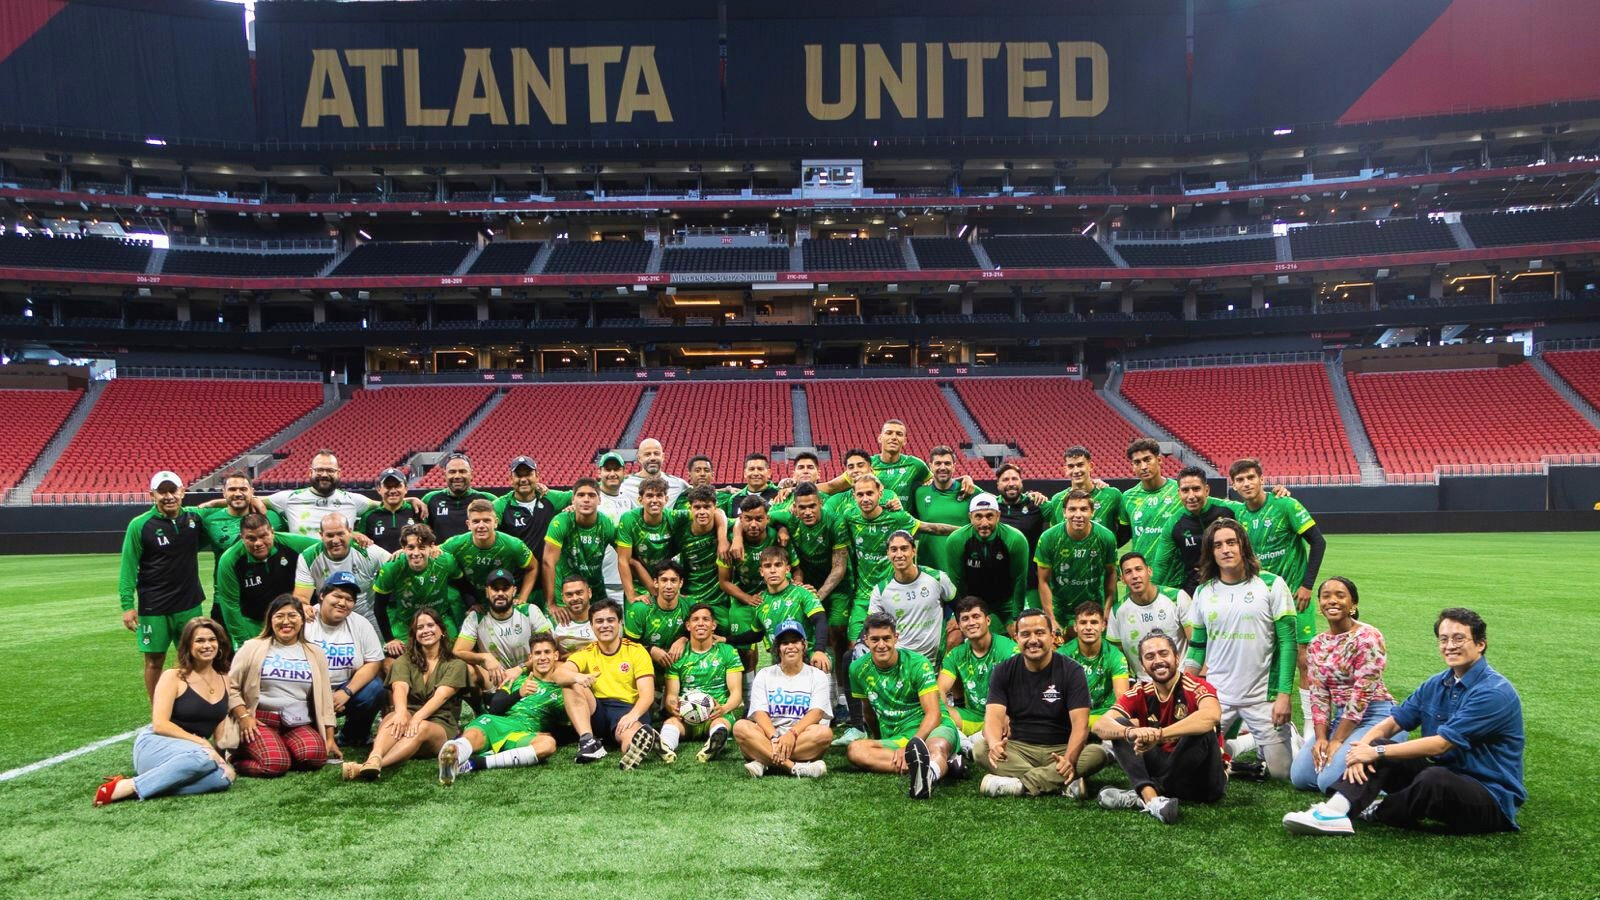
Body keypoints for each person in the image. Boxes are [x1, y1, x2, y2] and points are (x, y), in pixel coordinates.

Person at [1283, 607, 1524, 835]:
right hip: (1446, 775)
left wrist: (1376, 751)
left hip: (1490, 797)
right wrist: (1361, 749)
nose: (1449, 646)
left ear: (1480, 644)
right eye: (1443, 639)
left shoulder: (1493, 692)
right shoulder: (1437, 683)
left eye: (1459, 639)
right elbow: (1393, 723)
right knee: (1381, 744)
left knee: (1429, 777)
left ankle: (1379, 810)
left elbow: (1441, 744)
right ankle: (1334, 811)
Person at [1182, 519, 1297, 778]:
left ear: (1243, 545)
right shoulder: (1202, 592)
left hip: (1262, 697)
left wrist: (1284, 696)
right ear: (1211, 552)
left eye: (1231, 542)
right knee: (1192, 762)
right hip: (1218, 696)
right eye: (1218, 545)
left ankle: (1270, 738)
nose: (1226, 549)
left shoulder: (1272, 584)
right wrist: (1186, 690)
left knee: (1281, 773)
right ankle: (1247, 740)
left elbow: (1288, 643)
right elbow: (1198, 647)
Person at [1229, 457, 1327, 737]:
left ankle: (1310, 720)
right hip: (1261, 599)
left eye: (1251, 477)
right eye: (1240, 480)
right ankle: (1260, 713)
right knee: (1261, 655)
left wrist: (1307, 585)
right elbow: (1201, 498)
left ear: (1262, 478)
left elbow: (1318, 542)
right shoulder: (1238, 515)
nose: (1246, 483)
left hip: (1296, 595)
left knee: (1302, 658)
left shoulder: (1285, 505)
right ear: (1234, 486)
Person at [95, 618, 238, 805]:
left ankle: (155, 786)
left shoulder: (225, 678)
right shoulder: (173, 677)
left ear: (220, 644)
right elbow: (160, 724)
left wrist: (225, 762)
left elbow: (219, 728)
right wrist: (202, 744)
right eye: (200, 641)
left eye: (212, 640)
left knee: (223, 779)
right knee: (204, 758)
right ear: (187, 645)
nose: (207, 645)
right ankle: (128, 787)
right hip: (156, 745)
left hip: (193, 756)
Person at [1093, 631, 1227, 823]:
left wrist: (1160, 735)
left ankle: (1141, 796)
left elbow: (1211, 715)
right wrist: (1129, 731)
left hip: (1203, 783)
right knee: (1120, 727)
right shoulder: (1140, 691)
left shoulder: (1196, 686)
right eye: (1150, 657)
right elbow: (1100, 725)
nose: (1158, 660)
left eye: (1164, 654)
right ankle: (1154, 800)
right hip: (1165, 767)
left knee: (1202, 729)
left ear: (1177, 657)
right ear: (1143, 665)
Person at [1288, 577, 1394, 793]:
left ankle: (1390, 779)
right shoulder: (1317, 643)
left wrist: (1337, 740)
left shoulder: (1367, 637)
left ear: (1353, 604)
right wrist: (1320, 739)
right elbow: (1318, 694)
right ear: (1319, 605)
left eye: (1340, 595)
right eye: (1326, 596)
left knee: (1327, 781)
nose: (1332, 601)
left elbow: (1361, 696)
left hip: (1377, 717)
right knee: (1301, 777)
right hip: (1341, 717)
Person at [974, 608, 1093, 798]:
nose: (1033, 640)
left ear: (1052, 636)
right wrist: (995, 743)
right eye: (1025, 634)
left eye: (1039, 633)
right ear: (1016, 638)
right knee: (981, 749)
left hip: (1061, 747)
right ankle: (1061, 783)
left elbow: (1081, 726)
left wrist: (1069, 758)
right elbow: (993, 718)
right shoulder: (1003, 671)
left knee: (1097, 754)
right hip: (1019, 748)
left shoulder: (1072, 671)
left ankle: (1019, 785)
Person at [846, 612, 963, 799]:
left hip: (932, 727)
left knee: (936, 747)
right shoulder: (857, 668)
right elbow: (867, 710)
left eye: (886, 638)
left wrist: (911, 746)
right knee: (855, 750)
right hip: (898, 736)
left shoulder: (918, 663)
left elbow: (934, 714)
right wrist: (880, 740)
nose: (881, 645)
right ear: (866, 641)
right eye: (875, 639)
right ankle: (945, 764)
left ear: (896, 638)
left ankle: (927, 776)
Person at [347, 606, 469, 781]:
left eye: (430, 625)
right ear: (414, 634)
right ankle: (373, 758)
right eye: (420, 628)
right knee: (391, 718)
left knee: (421, 727)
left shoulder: (456, 664)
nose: (425, 630)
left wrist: (416, 718)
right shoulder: (405, 660)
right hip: (409, 716)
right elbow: (400, 687)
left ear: (441, 630)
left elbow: (441, 696)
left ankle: (368, 767)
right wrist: (401, 712)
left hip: (439, 723)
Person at [119, 470, 212, 698]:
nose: (168, 496)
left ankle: (188, 703)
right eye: (162, 492)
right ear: (152, 495)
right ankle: (157, 709)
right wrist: (127, 605)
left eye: (173, 490)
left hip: (189, 602)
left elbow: (225, 510)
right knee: (154, 660)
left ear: (183, 492)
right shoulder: (140, 525)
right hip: (154, 606)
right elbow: (128, 566)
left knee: (191, 656)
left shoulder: (194, 518)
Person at [227, 594, 337, 777]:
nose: (286, 622)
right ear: (270, 620)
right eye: (279, 616)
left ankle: (278, 749)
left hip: (297, 721)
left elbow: (326, 698)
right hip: (260, 720)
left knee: (316, 757)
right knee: (274, 764)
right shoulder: (252, 647)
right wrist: (244, 716)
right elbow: (230, 687)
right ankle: (236, 759)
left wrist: (330, 738)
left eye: (292, 616)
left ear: (302, 620)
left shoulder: (315, 652)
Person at [436, 633, 568, 780]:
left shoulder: (562, 690)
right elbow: (495, 708)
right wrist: (520, 693)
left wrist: (551, 733)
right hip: (498, 723)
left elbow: (568, 725)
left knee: (548, 745)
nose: (542, 657)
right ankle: (453, 754)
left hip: (525, 733)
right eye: (538, 653)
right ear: (530, 658)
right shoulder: (515, 679)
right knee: (474, 734)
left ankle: (476, 763)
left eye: (547, 652)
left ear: (556, 655)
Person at [562, 599, 662, 769]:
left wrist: (633, 715)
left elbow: (647, 695)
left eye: (610, 620)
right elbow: (559, 674)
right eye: (599, 621)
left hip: (628, 710)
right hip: (598, 711)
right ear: (591, 626)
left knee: (631, 737)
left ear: (620, 623)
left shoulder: (636, 651)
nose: (605, 625)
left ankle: (634, 748)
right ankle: (588, 741)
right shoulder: (586, 652)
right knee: (570, 682)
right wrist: (577, 677)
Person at [735, 620, 833, 779]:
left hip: (801, 736)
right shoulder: (765, 674)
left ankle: (763, 760)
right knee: (740, 727)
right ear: (778, 649)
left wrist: (791, 734)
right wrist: (774, 737)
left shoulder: (817, 675)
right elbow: (759, 713)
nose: (790, 647)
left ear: (804, 645)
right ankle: (794, 767)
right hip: (769, 735)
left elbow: (816, 713)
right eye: (785, 643)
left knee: (824, 734)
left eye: (795, 641)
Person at [303, 573, 387, 748]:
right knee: (311, 745)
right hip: (308, 692)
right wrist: (322, 698)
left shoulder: (361, 624)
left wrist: (346, 692)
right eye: (337, 595)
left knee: (375, 688)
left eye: (349, 599)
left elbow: (373, 662)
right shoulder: (305, 619)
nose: (342, 602)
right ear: (322, 595)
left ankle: (353, 735)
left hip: (344, 689)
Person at [213, 515, 319, 647]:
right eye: (251, 538)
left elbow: (326, 545)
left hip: (294, 621)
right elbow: (230, 604)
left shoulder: (293, 544)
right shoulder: (229, 560)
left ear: (272, 532)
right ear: (242, 537)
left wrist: (350, 538)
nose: (258, 543)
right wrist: (243, 641)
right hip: (256, 625)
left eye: (263, 536)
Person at [660, 603, 745, 764]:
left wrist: (724, 708)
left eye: (706, 619)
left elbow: (736, 693)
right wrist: (674, 708)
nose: (700, 623)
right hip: (686, 716)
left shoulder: (728, 651)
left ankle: (715, 743)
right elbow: (671, 696)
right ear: (688, 626)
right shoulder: (678, 655)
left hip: (717, 714)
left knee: (721, 724)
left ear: (713, 625)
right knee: (671, 723)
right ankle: (665, 747)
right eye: (695, 619)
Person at [267, 450, 419, 538]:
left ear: (339, 473)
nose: (324, 474)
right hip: (303, 570)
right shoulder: (288, 498)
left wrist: (410, 499)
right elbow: (251, 499)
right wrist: (255, 501)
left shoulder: (353, 500)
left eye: (330, 470)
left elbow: (387, 502)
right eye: (319, 470)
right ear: (310, 472)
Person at [453, 567, 554, 692]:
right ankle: (479, 706)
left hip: (529, 673)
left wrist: (520, 668)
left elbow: (550, 649)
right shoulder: (476, 617)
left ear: (514, 591)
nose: (500, 593)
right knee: (463, 668)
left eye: (505, 588)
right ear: (486, 592)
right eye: (495, 589)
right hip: (496, 680)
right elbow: (458, 651)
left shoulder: (529, 611)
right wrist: (485, 657)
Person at [717, 495, 795, 652]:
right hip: (744, 597)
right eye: (748, 519)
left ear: (767, 518)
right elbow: (724, 581)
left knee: (781, 644)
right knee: (742, 648)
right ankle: (748, 676)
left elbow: (795, 568)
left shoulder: (778, 538)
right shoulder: (731, 540)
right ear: (741, 518)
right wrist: (747, 598)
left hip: (774, 595)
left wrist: (782, 528)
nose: (753, 524)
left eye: (759, 519)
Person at [1034, 489, 1117, 636]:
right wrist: (1051, 618)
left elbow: (1111, 573)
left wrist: (1107, 609)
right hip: (1061, 611)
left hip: (1093, 610)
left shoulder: (1106, 537)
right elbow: (1043, 581)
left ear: (1092, 512)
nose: (1078, 515)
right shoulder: (1049, 538)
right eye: (1072, 509)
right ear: (1064, 512)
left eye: (1084, 509)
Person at [943, 494, 1030, 633]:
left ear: (998, 516)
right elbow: (955, 581)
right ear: (970, 517)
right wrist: (957, 612)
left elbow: (1019, 580)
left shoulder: (1015, 539)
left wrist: (1016, 617)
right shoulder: (957, 540)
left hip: (1005, 602)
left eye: (989, 516)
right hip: (971, 602)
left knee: (1020, 633)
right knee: (953, 637)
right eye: (978, 516)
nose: (984, 523)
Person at [867, 530, 958, 661]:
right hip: (900, 662)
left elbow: (960, 606)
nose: (899, 554)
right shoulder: (880, 590)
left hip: (934, 661)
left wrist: (955, 619)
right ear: (888, 554)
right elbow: (872, 627)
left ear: (914, 551)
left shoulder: (937, 578)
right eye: (894, 549)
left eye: (904, 549)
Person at [294, 512, 391, 634]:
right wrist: (303, 606)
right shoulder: (308, 558)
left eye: (340, 534)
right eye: (330, 535)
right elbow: (301, 597)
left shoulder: (369, 551)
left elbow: (396, 566)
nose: (335, 540)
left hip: (367, 618)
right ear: (321, 535)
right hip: (329, 619)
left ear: (350, 532)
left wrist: (400, 556)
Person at [372, 523, 463, 652]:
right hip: (407, 623)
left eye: (421, 547)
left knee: (455, 655)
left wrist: (474, 604)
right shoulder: (392, 567)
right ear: (403, 548)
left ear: (431, 547)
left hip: (440, 620)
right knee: (391, 663)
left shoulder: (444, 561)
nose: (416, 553)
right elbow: (379, 607)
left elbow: (463, 585)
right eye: (410, 547)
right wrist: (390, 639)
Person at [937, 596, 1018, 737]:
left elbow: (1022, 690)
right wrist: (941, 711)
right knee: (933, 711)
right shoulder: (956, 654)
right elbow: (940, 691)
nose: (971, 623)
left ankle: (969, 741)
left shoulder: (1009, 649)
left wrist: (1007, 716)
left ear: (988, 620)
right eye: (965, 619)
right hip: (972, 716)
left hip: (1003, 716)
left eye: (976, 616)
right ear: (960, 625)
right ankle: (965, 741)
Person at [1106, 552, 1191, 680]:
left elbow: (1196, 644)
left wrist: (1190, 679)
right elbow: (1117, 657)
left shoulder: (1177, 598)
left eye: (1139, 569)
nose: (1135, 576)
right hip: (1144, 685)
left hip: (1180, 678)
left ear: (1149, 571)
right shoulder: (1117, 612)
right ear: (1122, 579)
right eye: (1128, 572)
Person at [541, 478, 618, 619]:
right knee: (562, 635)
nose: (586, 499)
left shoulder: (606, 524)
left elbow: (627, 557)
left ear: (599, 500)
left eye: (592, 495)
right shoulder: (561, 522)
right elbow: (548, 562)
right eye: (581, 495)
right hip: (564, 593)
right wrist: (551, 603)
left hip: (595, 591)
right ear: (573, 500)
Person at [439, 499, 536, 609]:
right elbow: (434, 555)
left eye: (487, 520)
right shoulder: (455, 544)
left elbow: (533, 567)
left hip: (504, 597)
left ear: (495, 522)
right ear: (468, 524)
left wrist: (523, 597)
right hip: (472, 601)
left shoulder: (513, 544)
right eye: (476, 521)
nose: (481, 525)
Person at [1118, 438, 1185, 589]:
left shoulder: (1179, 491)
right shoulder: (1128, 497)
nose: (1143, 466)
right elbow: (1122, 535)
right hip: (1142, 580)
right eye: (1137, 462)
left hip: (1177, 579)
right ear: (1132, 466)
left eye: (1147, 460)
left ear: (1159, 460)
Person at [494, 457, 564, 599]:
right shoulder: (500, 505)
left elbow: (580, 494)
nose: (523, 479)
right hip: (516, 583)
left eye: (528, 474)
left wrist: (574, 506)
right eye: (519, 475)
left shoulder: (550, 498)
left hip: (549, 583)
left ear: (537, 476)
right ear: (510, 479)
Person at [1167, 467, 1241, 596]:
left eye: (1196, 489)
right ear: (1179, 493)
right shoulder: (1174, 522)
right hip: (1195, 588)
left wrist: (1276, 495)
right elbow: (1162, 564)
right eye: (1185, 490)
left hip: (1231, 583)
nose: (1191, 496)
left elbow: (1257, 511)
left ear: (1206, 490)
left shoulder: (1230, 510)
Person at [909, 445, 971, 568]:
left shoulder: (969, 490)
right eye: (938, 463)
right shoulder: (919, 493)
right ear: (930, 466)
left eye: (947, 463)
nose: (943, 467)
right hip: (929, 571)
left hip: (963, 570)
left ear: (954, 466)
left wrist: (966, 477)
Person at [624, 560, 690, 669]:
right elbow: (627, 647)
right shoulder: (640, 609)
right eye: (664, 580)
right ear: (655, 583)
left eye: (673, 580)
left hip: (678, 668)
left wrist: (684, 639)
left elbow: (704, 633)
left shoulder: (690, 605)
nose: (669, 586)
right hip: (645, 667)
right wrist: (650, 650)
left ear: (681, 583)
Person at [1046, 446, 1123, 536]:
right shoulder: (1057, 500)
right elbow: (1056, 534)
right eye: (1071, 466)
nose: (1076, 470)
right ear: (1065, 469)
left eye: (1080, 465)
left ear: (1091, 466)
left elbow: (1125, 529)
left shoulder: (1112, 496)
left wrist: (1109, 546)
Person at [421, 453, 497, 542]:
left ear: (471, 474)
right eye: (452, 472)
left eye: (462, 471)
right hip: (442, 555)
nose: (457, 476)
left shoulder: (488, 499)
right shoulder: (430, 499)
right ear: (444, 474)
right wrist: (410, 500)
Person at [358, 467, 421, 554]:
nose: (392, 491)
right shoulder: (368, 516)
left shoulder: (417, 511)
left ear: (406, 488)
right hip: (381, 567)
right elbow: (361, 546)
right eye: (388, 486)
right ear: (379, 489)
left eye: (397, 486)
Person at [620, 437, 691, 508]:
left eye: (656, 454)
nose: (652, 458)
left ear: (663, 457)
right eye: (647, 454)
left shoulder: (679, 484)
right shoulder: (624, 484)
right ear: (639, 458)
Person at [549, 575, 599, 653]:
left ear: (589, 593)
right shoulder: (553, 621)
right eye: (569, 594)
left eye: (579, 593)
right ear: (563, 598)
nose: (575, 598)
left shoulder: (604, 617)